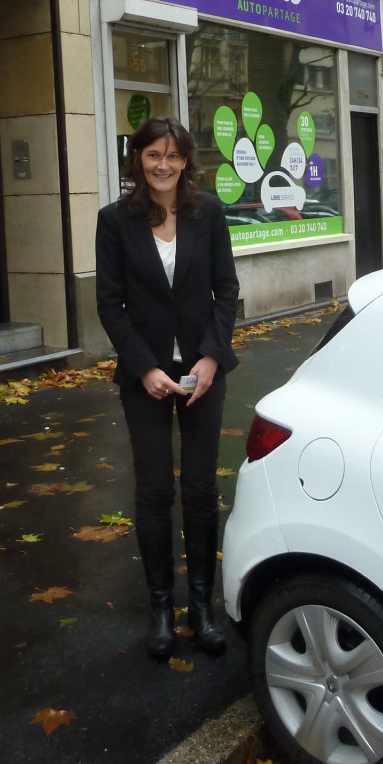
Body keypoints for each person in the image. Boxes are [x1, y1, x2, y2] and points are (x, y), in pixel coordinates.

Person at [96, 117, 240, 660]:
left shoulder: (210, 214)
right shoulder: (115, 221)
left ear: (186, 162)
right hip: (147, 378)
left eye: (173, 156)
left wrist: (208, 357)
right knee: (155, 492)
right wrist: (143, 368)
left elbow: (225, 290)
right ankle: (162, 606)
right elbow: (110, 303)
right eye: (153, 155)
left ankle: (202, 606)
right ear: (139, 160)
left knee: (201, 491)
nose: (163, 165)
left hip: (203, 373)